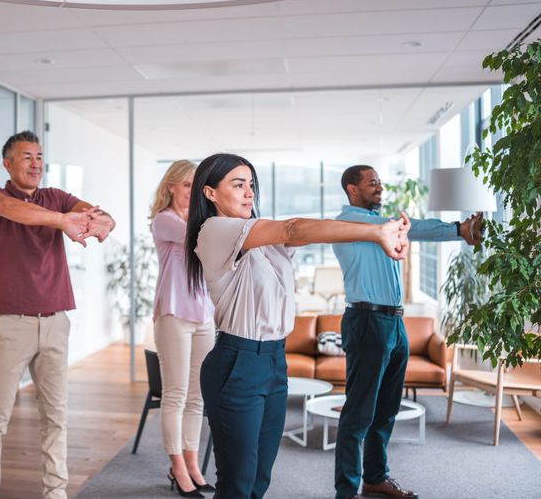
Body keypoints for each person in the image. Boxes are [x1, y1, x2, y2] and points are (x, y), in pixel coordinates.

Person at [184, 153, 409, 499]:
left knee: (259, 478)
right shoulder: (214, 231)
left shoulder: (260, 236)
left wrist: (375, 231)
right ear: (210, 193)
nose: (249, 193)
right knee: (237, 482)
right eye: (238, 184)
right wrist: (376, 232)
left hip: (274, 361)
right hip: (237, 361)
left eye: (251, 185)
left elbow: (307, 233)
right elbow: (293, 228)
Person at [0, 130, 115, 499]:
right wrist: (63, 221)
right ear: (7, 163)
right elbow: (14, 211)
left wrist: (100, 222)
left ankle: (56, 493)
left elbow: (97, 213)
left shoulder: (57, 197)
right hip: (12, 325)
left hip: (55, 321)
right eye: (26, 157)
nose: (35, 163)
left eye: (39, 156)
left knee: (56, 417)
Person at [332, 165, 483, 499]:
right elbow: (413, 229)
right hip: (367, 320)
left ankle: (375, 476)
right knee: (358, 412)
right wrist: (459, 228)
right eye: (371, 183)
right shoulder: (351, 223)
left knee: (387, 408)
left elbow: (404, 231)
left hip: (393, 322)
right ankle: (345, 490)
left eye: (380, 183)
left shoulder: (383, 225)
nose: (380, 188)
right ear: (351, 189)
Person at [150, 160, 216, 498]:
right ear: (172, 186)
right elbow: (200, 236)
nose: (192, 191)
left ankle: (192, 462)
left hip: (203, 315)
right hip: (174, 313)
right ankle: (177, 466)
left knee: (197, 396)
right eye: (188, 184)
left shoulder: (201, 221)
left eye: (197, 185)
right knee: (175, 394)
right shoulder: (164, 221)